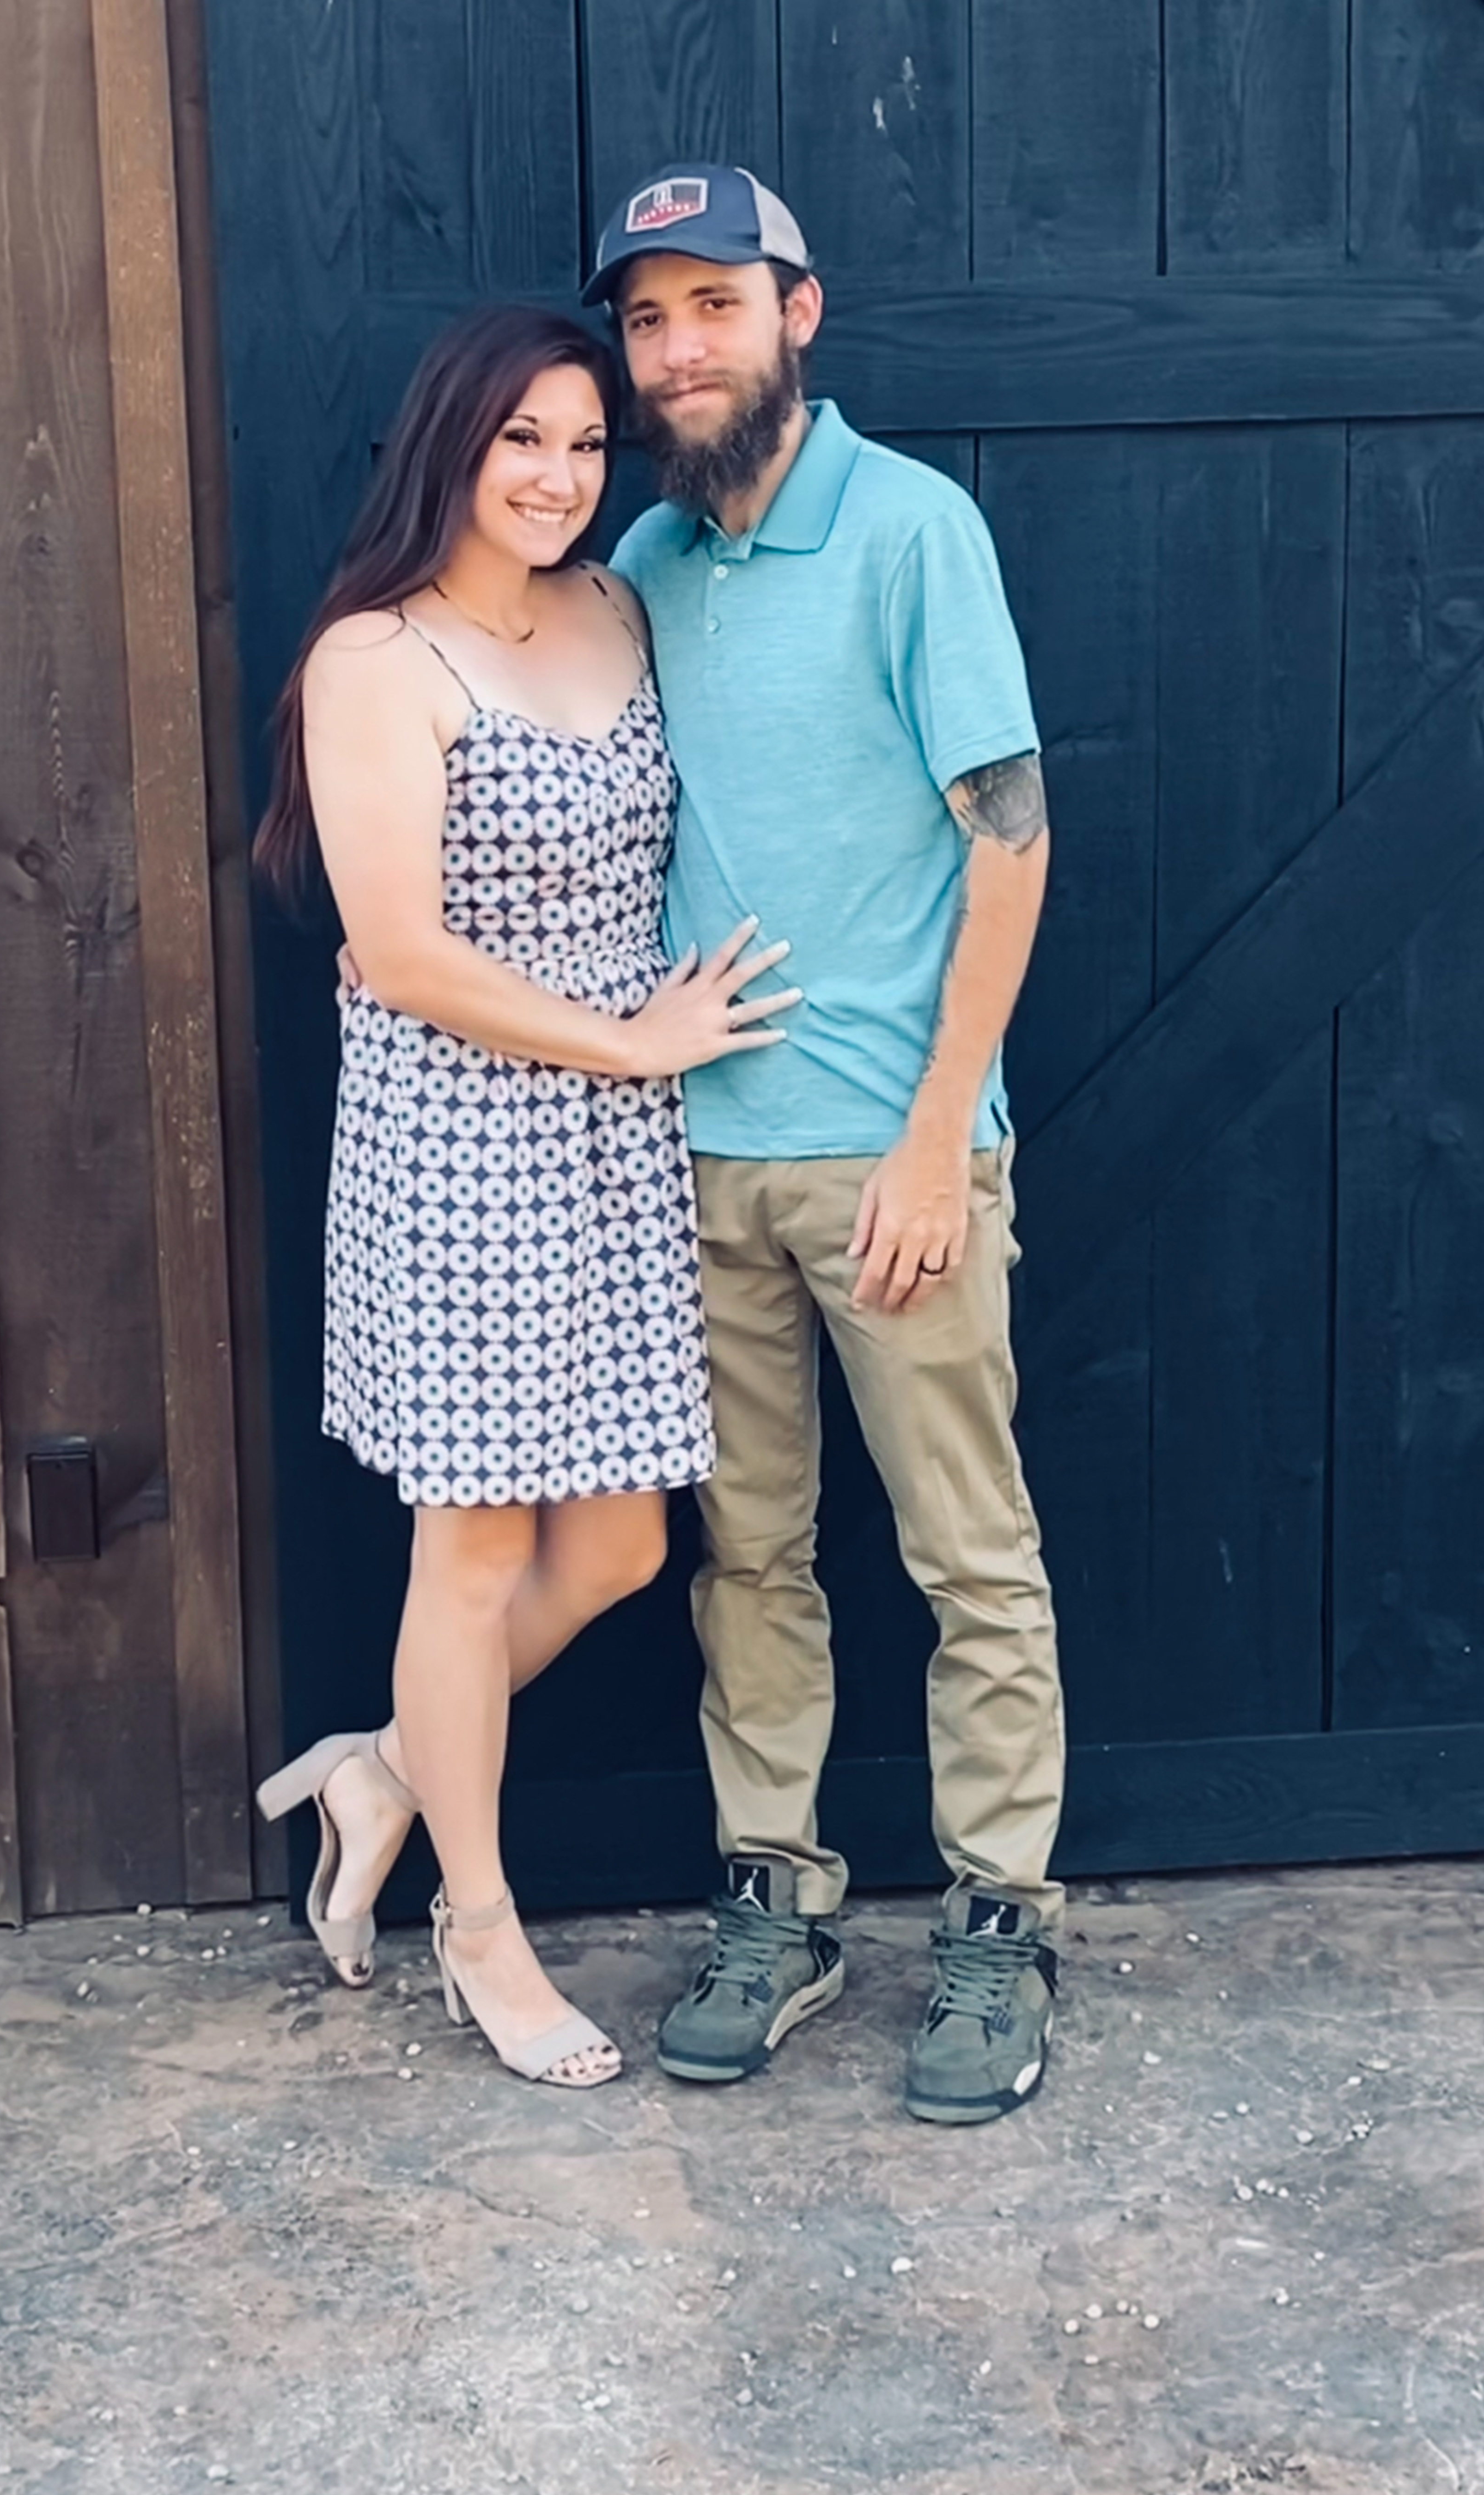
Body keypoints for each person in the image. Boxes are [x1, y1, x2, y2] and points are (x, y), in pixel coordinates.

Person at [250, 305, 797, 2090]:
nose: (561, 478)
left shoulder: (617, 606)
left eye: (584, 443)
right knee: (475, 1548)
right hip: (466, 1136)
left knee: (622, 1544)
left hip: (615, 1144)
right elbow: (403, 952)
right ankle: (477, 1927)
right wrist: (635, 1042)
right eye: (522, 443)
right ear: (452, 449)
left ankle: (387, 1773)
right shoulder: (377, 659)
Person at [581, 166, 1066, 2124]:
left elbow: (1012, 843)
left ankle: (1004, 1925)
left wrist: (940, 1139)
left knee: (971, 1557)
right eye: (647, 318)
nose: (677, 348)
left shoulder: (910, 529)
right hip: (697, 1157)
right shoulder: (646, 561)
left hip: (891, 1157)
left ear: (800, 312)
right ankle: (773, 1903)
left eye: (715, 303)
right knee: (748, 1560)